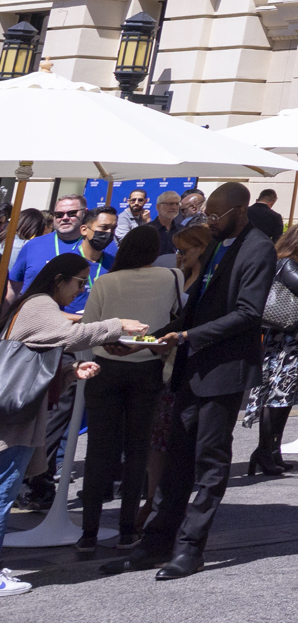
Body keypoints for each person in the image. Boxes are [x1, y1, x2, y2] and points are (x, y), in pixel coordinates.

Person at [129, 180, 277, 579]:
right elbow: (198, 304)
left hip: (224, 369)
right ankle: (157, 540)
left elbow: (249, 312)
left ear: (239, 212)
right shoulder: (215, 242)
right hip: (191, 366)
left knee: (210, 460)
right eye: (207, 215)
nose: (209, 222)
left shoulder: (258, 247)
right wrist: (160, 335)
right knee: (177, 456)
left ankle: (191, 547)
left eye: (216, 216)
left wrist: (189, 336)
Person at [0, 253, 145, 592]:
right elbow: (72, 336)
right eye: (79, 283)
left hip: (14, 418)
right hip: (12, 423)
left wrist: (69, 372)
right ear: (59, 279)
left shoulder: (32, 305)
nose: (80, 290)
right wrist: (118, 325)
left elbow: (34, 358)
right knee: (3, 493)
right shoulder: (40, 305)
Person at [75, 224, 178, 554]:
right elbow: (173, 325)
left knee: (98, 451)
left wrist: (116, 341)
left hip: (105, 366)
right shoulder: (172, 278)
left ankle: (89, 532)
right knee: (137, 451)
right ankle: (126, 530)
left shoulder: (105, 281)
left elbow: (89, 329)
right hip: (148, 368)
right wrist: (143, 343)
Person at [246, 219, 298, 479]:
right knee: (277, 396)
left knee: (286, 396)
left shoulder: (292, 263)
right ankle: (264, 451)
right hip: (284, 342)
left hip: (294, 341)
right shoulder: (287, 263)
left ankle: (273, 450)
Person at [9, 197, 89, 296]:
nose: (65, 218)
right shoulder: (33, 245)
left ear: (85, 213)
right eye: (59, 214)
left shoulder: (97, 246)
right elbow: (12, 287)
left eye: (71, 213)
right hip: (35, 309)